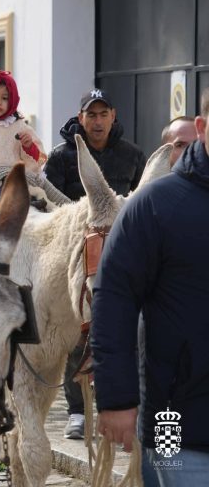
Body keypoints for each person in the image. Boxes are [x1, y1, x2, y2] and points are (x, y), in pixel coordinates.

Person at [92, 87, 209, 484]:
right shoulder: (155, 205)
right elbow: (113, 300)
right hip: (172, 420)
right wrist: (117, 399)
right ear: (202, 127)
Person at [44, 89, 147, 439]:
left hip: (122, 249)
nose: (98, 121)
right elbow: (48, 205)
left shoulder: (133, 156)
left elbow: (141, 200)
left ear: (113, 116)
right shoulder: (60, 157)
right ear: (81, 117)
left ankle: (120, 405)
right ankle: (77, 410)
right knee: (79, 325)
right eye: (92, 115)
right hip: (76, 250)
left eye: (104, 114)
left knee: (125, 327)